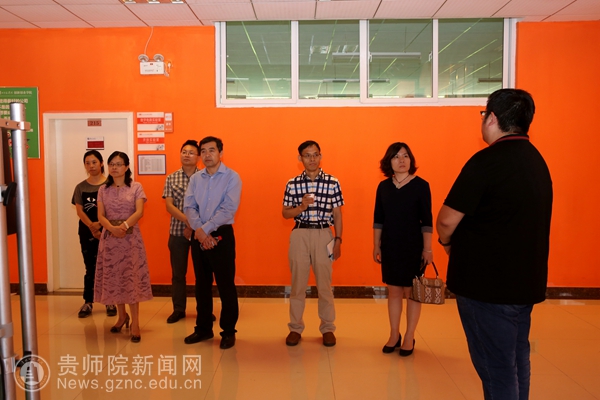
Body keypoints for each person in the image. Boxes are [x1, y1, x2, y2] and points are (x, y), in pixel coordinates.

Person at [436, 89, 552, 400]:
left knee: (496, 370)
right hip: (523, 284)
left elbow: (446, 221)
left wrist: (447, 243)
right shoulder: (537, 161)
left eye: (483, 114)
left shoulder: (486, 162)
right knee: (516, 360)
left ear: (492, 119)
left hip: (486, 288)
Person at [373, 142, 432, 356]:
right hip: (390, 245)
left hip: (414, 246)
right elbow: (378, 219)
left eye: (406, 156)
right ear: (389, 161)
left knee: (412, 292)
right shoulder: (383, 187)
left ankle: (409, 336)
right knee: (394, 291)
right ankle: (394, 334)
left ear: (411, 160)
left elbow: (427, 221)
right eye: (396, 156)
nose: (402, 160)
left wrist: (428, 249)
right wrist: (376, 245)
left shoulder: (421, 185)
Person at [282, 140, 344, 347]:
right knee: (298, 285)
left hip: (324, 234)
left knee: (325, 285)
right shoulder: (292, 184)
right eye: (307, 155)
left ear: (320, 156)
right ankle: (295, 328)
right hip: (300, 233)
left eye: (315, 154)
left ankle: (327, 328)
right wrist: (301, 207)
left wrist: (338, 239)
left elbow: (338, 214)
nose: (312, 159)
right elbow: (285, 213)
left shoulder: (333, 182)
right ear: (300, 158)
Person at [183, 136, 242, 350]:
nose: (207, 155)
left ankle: (228, 331)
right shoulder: (195, 179)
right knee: (202, 284)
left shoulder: (232, 177)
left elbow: (228, 209)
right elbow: (189, 206)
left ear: (220, 153)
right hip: (199, 234)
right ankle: (203, 328)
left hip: (221, 234)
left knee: (225, 285)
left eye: (212, 150)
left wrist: (204, 230)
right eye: (204, 151)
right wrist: (200, 231)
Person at [95, 151, 153, 343]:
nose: (114, 167)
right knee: (115, 278)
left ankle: (135, 322)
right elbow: (100, 215)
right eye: (111, 164)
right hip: (110, 239)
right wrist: (111, 228)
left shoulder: (136, 187)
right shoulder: (103, 189)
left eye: (119, 164)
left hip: (130, 239)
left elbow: (139, 212)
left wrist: (124, 226)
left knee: (131, 279)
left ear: (126, 167)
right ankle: (121, 317)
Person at [71, 150, 116, 318]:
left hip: (108, 229)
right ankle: (88, 302)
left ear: (101, 163)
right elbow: (79, 210)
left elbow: (114, 209)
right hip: (86, 231)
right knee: (90, 267)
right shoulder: (80, 187)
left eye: (94, 162)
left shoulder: (110, 185)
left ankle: (110, 301)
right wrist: (92, 226)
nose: (91, 166)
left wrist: (100, 225)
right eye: (87, 163)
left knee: (108, 266)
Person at [162, 140, 201, 324]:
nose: (187, 155)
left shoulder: (205, 177)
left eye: (191, 152)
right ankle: (178, 309)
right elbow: (169, 206)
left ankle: (204, 310)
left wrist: (193, 225)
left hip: (201, 233)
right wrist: (188, 221)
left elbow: (207, 205)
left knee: (203, 275)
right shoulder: (171, 178)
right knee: (178, 274)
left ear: (198, 157)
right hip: (178, 233)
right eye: (184, 151)